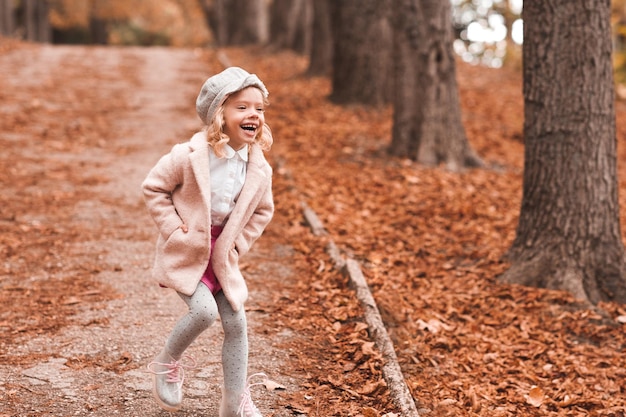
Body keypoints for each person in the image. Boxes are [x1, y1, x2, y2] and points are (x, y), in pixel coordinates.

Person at [141, 66, 274, 417]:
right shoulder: (189, 156)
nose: (253, 115)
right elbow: (154, 187)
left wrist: (238, 244)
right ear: (220, 113)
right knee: (204, 312)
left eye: (259, 108)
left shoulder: (258, 167)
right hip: (187, 250)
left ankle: (234, 405)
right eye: (242, 107)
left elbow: (263, 211)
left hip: (222, 256)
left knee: (236, 323)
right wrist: (173, 228)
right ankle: (166, 362)